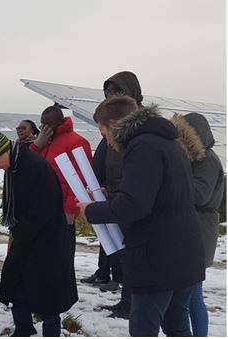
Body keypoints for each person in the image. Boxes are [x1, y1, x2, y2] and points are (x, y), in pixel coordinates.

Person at [78, 96, 205, 336]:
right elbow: (155, 195)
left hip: (158, 258)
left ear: (114, 125)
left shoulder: (141, 147)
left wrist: (90, 210)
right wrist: (114, 197)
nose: (108, 143)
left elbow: (134, 206)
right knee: (177, 327)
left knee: (142, 329)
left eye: (104, 135)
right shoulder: (167, 142)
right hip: (185, 254)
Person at [0, 130, 77, 337]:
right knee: (18, 288)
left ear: (5, 150)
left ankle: (51, 333)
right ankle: (23, 330)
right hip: (25, 239)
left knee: (49, 298)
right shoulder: (15, 165)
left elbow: (44, 210)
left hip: (46, 243)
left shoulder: (34, 167)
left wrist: (19, 233)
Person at [81, 71, 144, 318]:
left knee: (132, 257)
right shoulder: (116, 131)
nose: (111, 96)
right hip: (116, 197)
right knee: (123, 255)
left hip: (129, 202)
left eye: (116, 92)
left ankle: (133, 304)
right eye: (107, 93)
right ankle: (126, 301)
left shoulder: (138, 130)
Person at [171, 112, 224, 336]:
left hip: (200, 230)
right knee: (189, 293)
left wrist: (171, 182)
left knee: (193, 294)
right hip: (194, 228)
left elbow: (200, 194)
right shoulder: (195, 159)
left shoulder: (207, 160)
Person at [30, 105, 92, 255]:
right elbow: (29, 166)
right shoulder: (45, 142)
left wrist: (70, 210)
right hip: (42, 209)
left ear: (59, 122)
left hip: (62, 211)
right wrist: (37, 145)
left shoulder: (77, 142)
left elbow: (81, 178)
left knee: (62, 256)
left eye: (48, 124)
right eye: (42, 124)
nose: (44, 128)